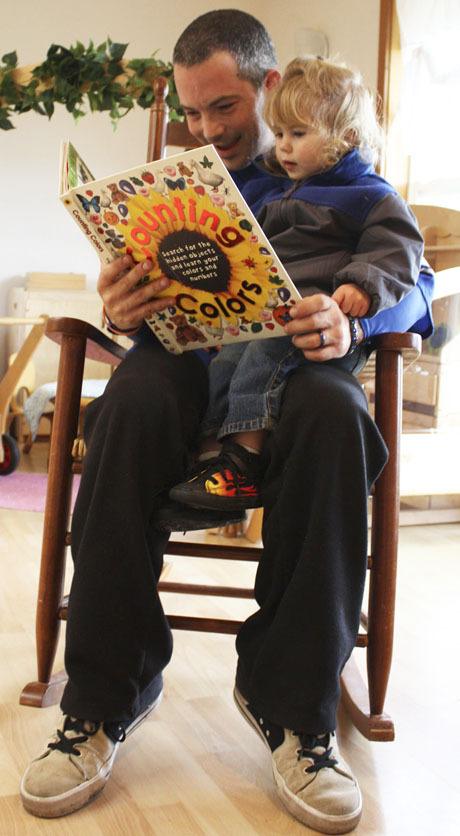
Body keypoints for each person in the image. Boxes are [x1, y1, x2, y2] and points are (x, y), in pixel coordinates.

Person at [20, 10, 434, 834]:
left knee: (334, 414)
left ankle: (295, 710)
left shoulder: (340, 181)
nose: (207, 130)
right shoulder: (190, 186)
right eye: (192, 113)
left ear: (270, 88)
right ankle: (102, 698)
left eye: (225, 108)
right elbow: (147, 310)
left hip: (300, 368)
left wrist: (354, 317)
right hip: (185, 364)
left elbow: (412, 280)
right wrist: (122, 302)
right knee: (130, 402)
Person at [169, 56, 423, 512]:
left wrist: (361, 288)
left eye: (298, 134)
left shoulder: (370, 194)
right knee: (226, 362)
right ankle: (211, 460)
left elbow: (401, 249)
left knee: (262, 357)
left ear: (346, 137)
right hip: (271, 309)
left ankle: (243, 461)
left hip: (315, 318)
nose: (283, 146)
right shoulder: (284, 191)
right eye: (280, 133)